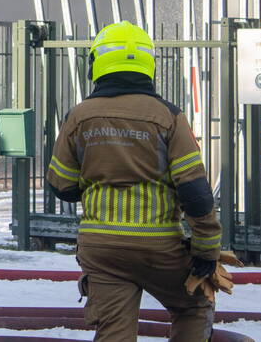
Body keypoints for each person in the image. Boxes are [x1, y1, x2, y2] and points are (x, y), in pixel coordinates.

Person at [46, 21, 222, 341]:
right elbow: (195, 192)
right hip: (160, 246)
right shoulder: (169, 116)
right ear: (148, 65)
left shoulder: (79, 116)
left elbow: (62, 185)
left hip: (101, 249)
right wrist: (206, 250)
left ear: (97, 64)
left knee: (114, 330)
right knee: (194, 305)